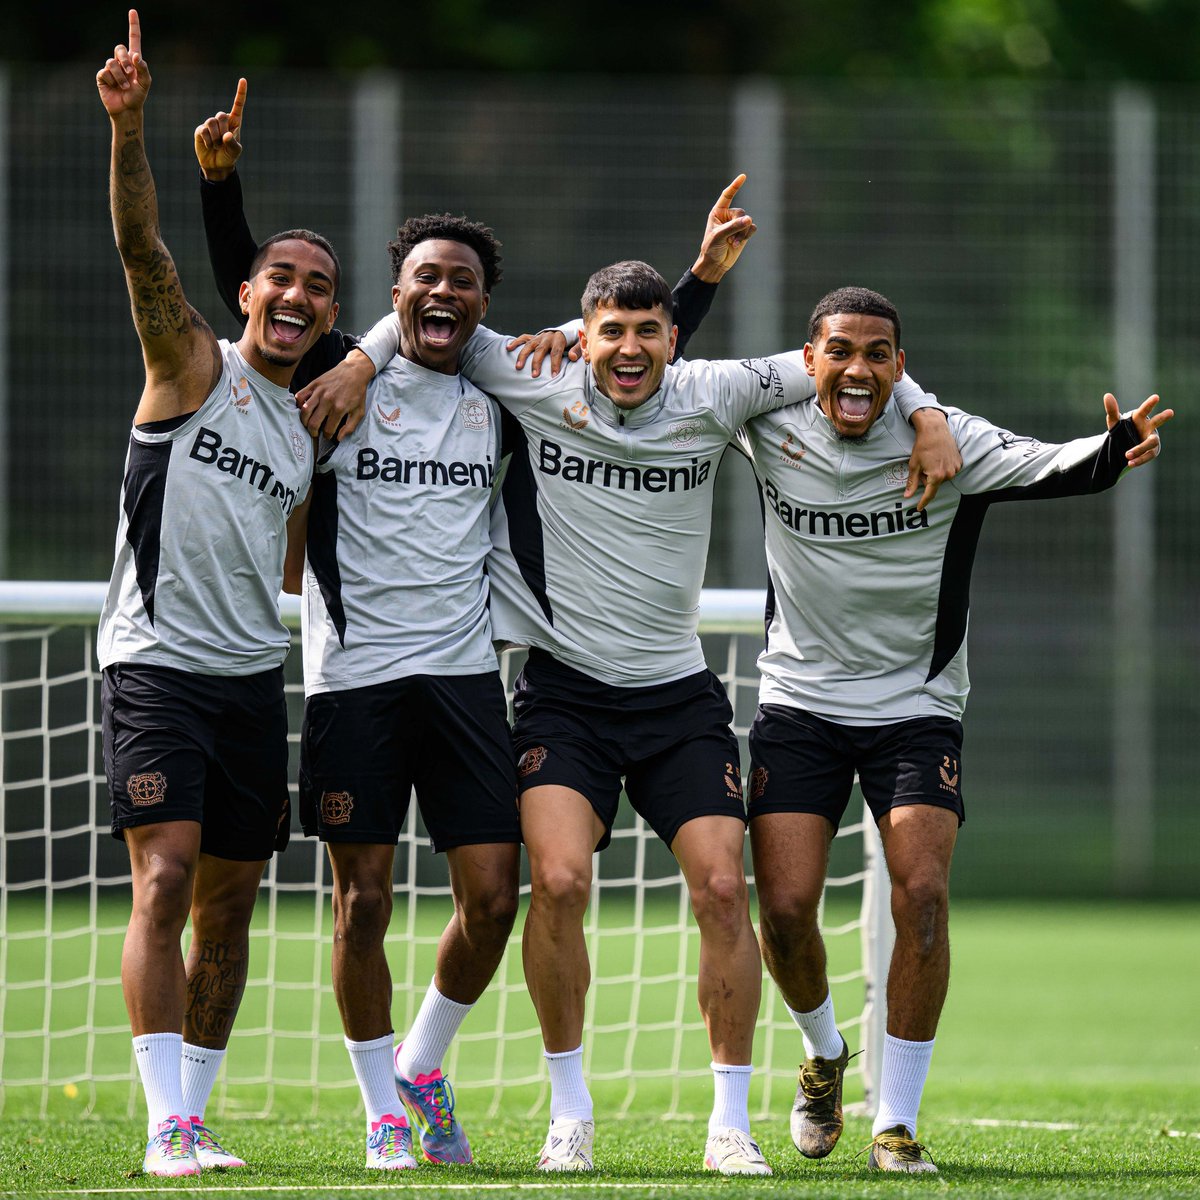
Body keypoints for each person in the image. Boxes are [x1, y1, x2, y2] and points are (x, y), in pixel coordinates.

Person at [311, 205, 960, 1174]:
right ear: (581, 336)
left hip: (678, 698)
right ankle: (567, 1114)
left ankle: (728, 1125)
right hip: (563, 698)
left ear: (672, 339)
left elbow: (847, 360)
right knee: (559, 885)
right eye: (607, 330)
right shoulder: (534, 377)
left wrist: (928, 412)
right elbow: (419, 315)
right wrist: (360, 361)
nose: (626, 346)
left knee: (723, 887)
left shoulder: (712, 390)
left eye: (647, 330)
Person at [736, 286, 1170, 1173]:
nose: (859, 369)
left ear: (901, 364)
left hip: (915, 708)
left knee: (923, 897)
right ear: (808, 358)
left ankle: (894, 1123)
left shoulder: (953, 440)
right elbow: (664, 378)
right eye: (842, 351)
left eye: (881, 354)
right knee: (782, 910)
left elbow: (1064, 466)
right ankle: (824, 1055)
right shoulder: (765, 425)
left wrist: (1116, 447)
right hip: (799, 702)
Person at [95, 12, 343, 1177]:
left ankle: (196, 1114)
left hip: (251, 681)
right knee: (167, 875)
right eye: (279, 278)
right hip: (155, 666)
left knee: (233, 906)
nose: (296, 296)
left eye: (317, 289)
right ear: (246, 291)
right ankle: (160, 1129)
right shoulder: (188, 363)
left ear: (331, 317)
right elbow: (146, 248)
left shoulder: (306, 433)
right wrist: (131, 126)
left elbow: (287, 561)